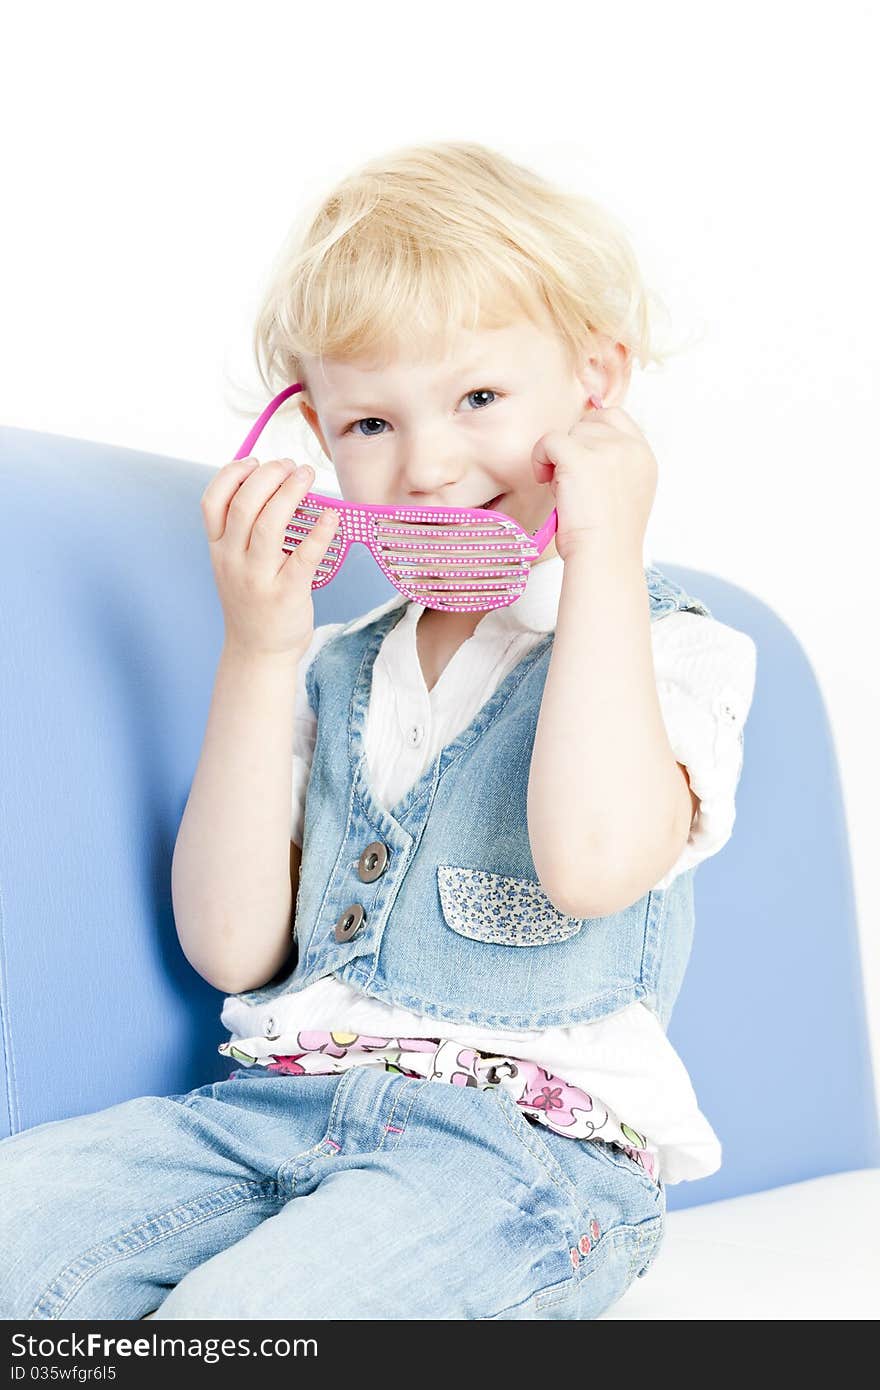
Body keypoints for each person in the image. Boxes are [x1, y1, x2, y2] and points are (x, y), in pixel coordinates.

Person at [0, 140, 757, 1321]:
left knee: (237, 1333)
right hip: (269, 1112)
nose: (427, 463)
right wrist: (258, 649)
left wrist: (604, 548)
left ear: (594, 386)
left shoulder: (672, 650)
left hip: (517, 1161)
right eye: (367, 421)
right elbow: (234, 948)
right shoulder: (332, 668)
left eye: (478, 398)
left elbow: (593, 862)